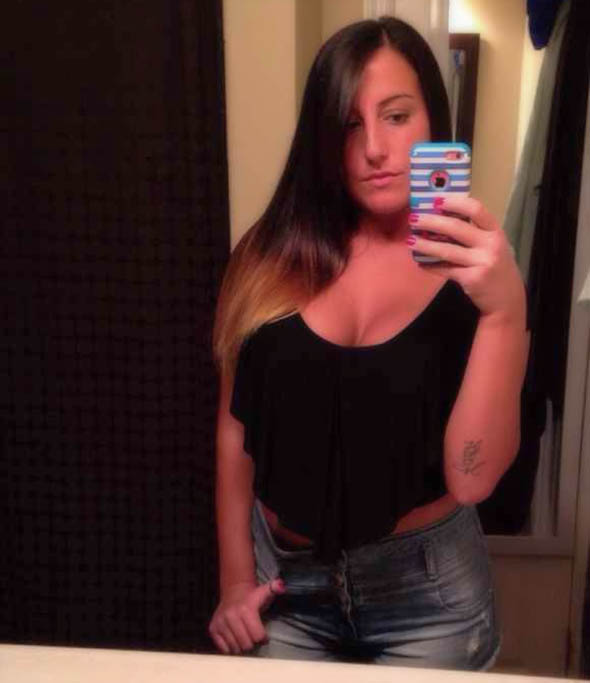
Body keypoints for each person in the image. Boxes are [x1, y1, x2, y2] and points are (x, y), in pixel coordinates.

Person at [208, 16, 530, 670]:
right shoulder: (266, 257)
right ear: (322, 134)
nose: (375, 148)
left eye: (397, 116)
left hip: (430, 598)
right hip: (285, 588)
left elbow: (473, 478)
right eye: (350, 123)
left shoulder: (475, 271)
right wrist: (235, 580)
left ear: (433, 122)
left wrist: (504, 313)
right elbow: (235, 430)